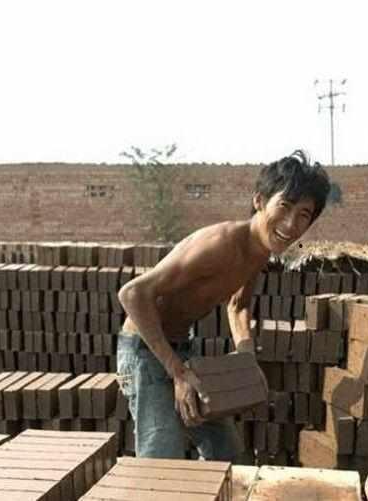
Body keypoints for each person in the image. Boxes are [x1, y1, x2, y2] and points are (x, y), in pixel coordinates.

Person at [116, 150, 331, 460]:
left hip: (181, 349)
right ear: (260, 201)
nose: (290, 223)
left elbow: (238, 305)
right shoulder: (221, 243)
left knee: (225, 450)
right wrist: (178, 373)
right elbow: (133, 294)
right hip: (144, 351)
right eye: (284, 206)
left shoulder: (259, 252)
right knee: (162, 456)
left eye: (304, 214)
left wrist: (247, 356)